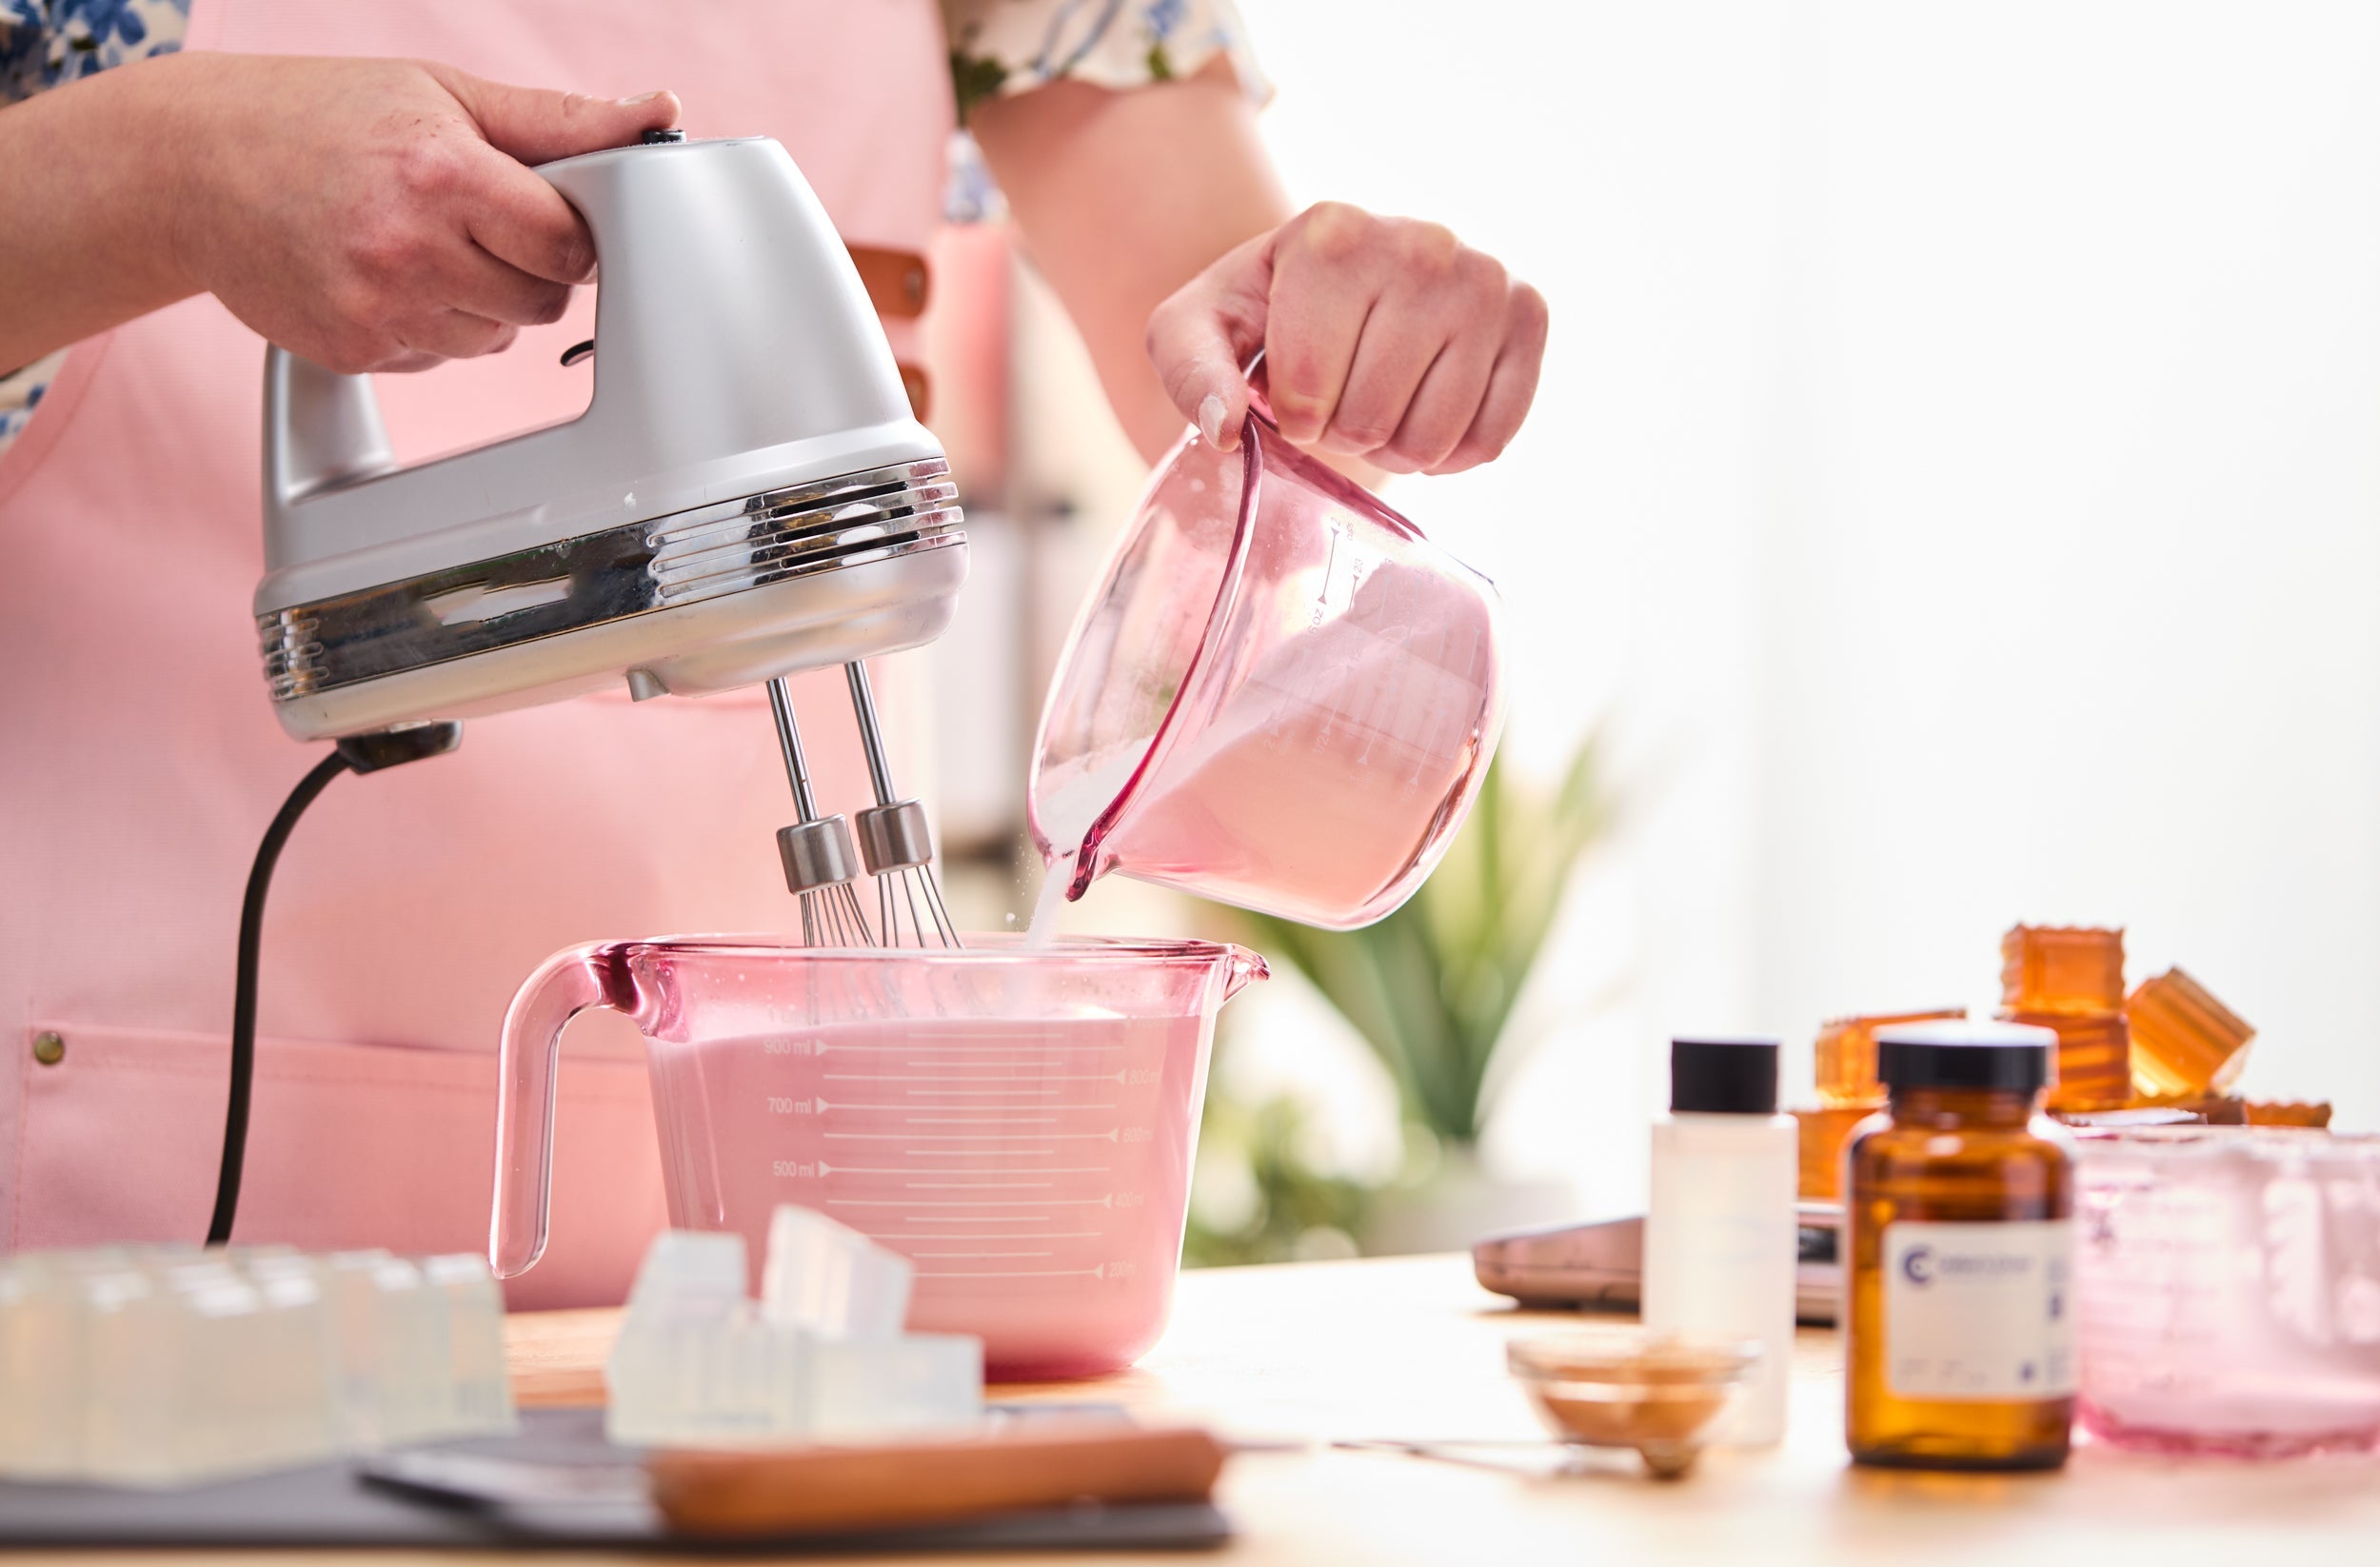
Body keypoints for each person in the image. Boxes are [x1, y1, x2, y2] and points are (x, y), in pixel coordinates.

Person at [0, 0, 1545, 1304]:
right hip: (108, 1242)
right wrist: (171, 170)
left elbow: (1233, 368)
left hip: (734, 1225)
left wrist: (1346, 329)